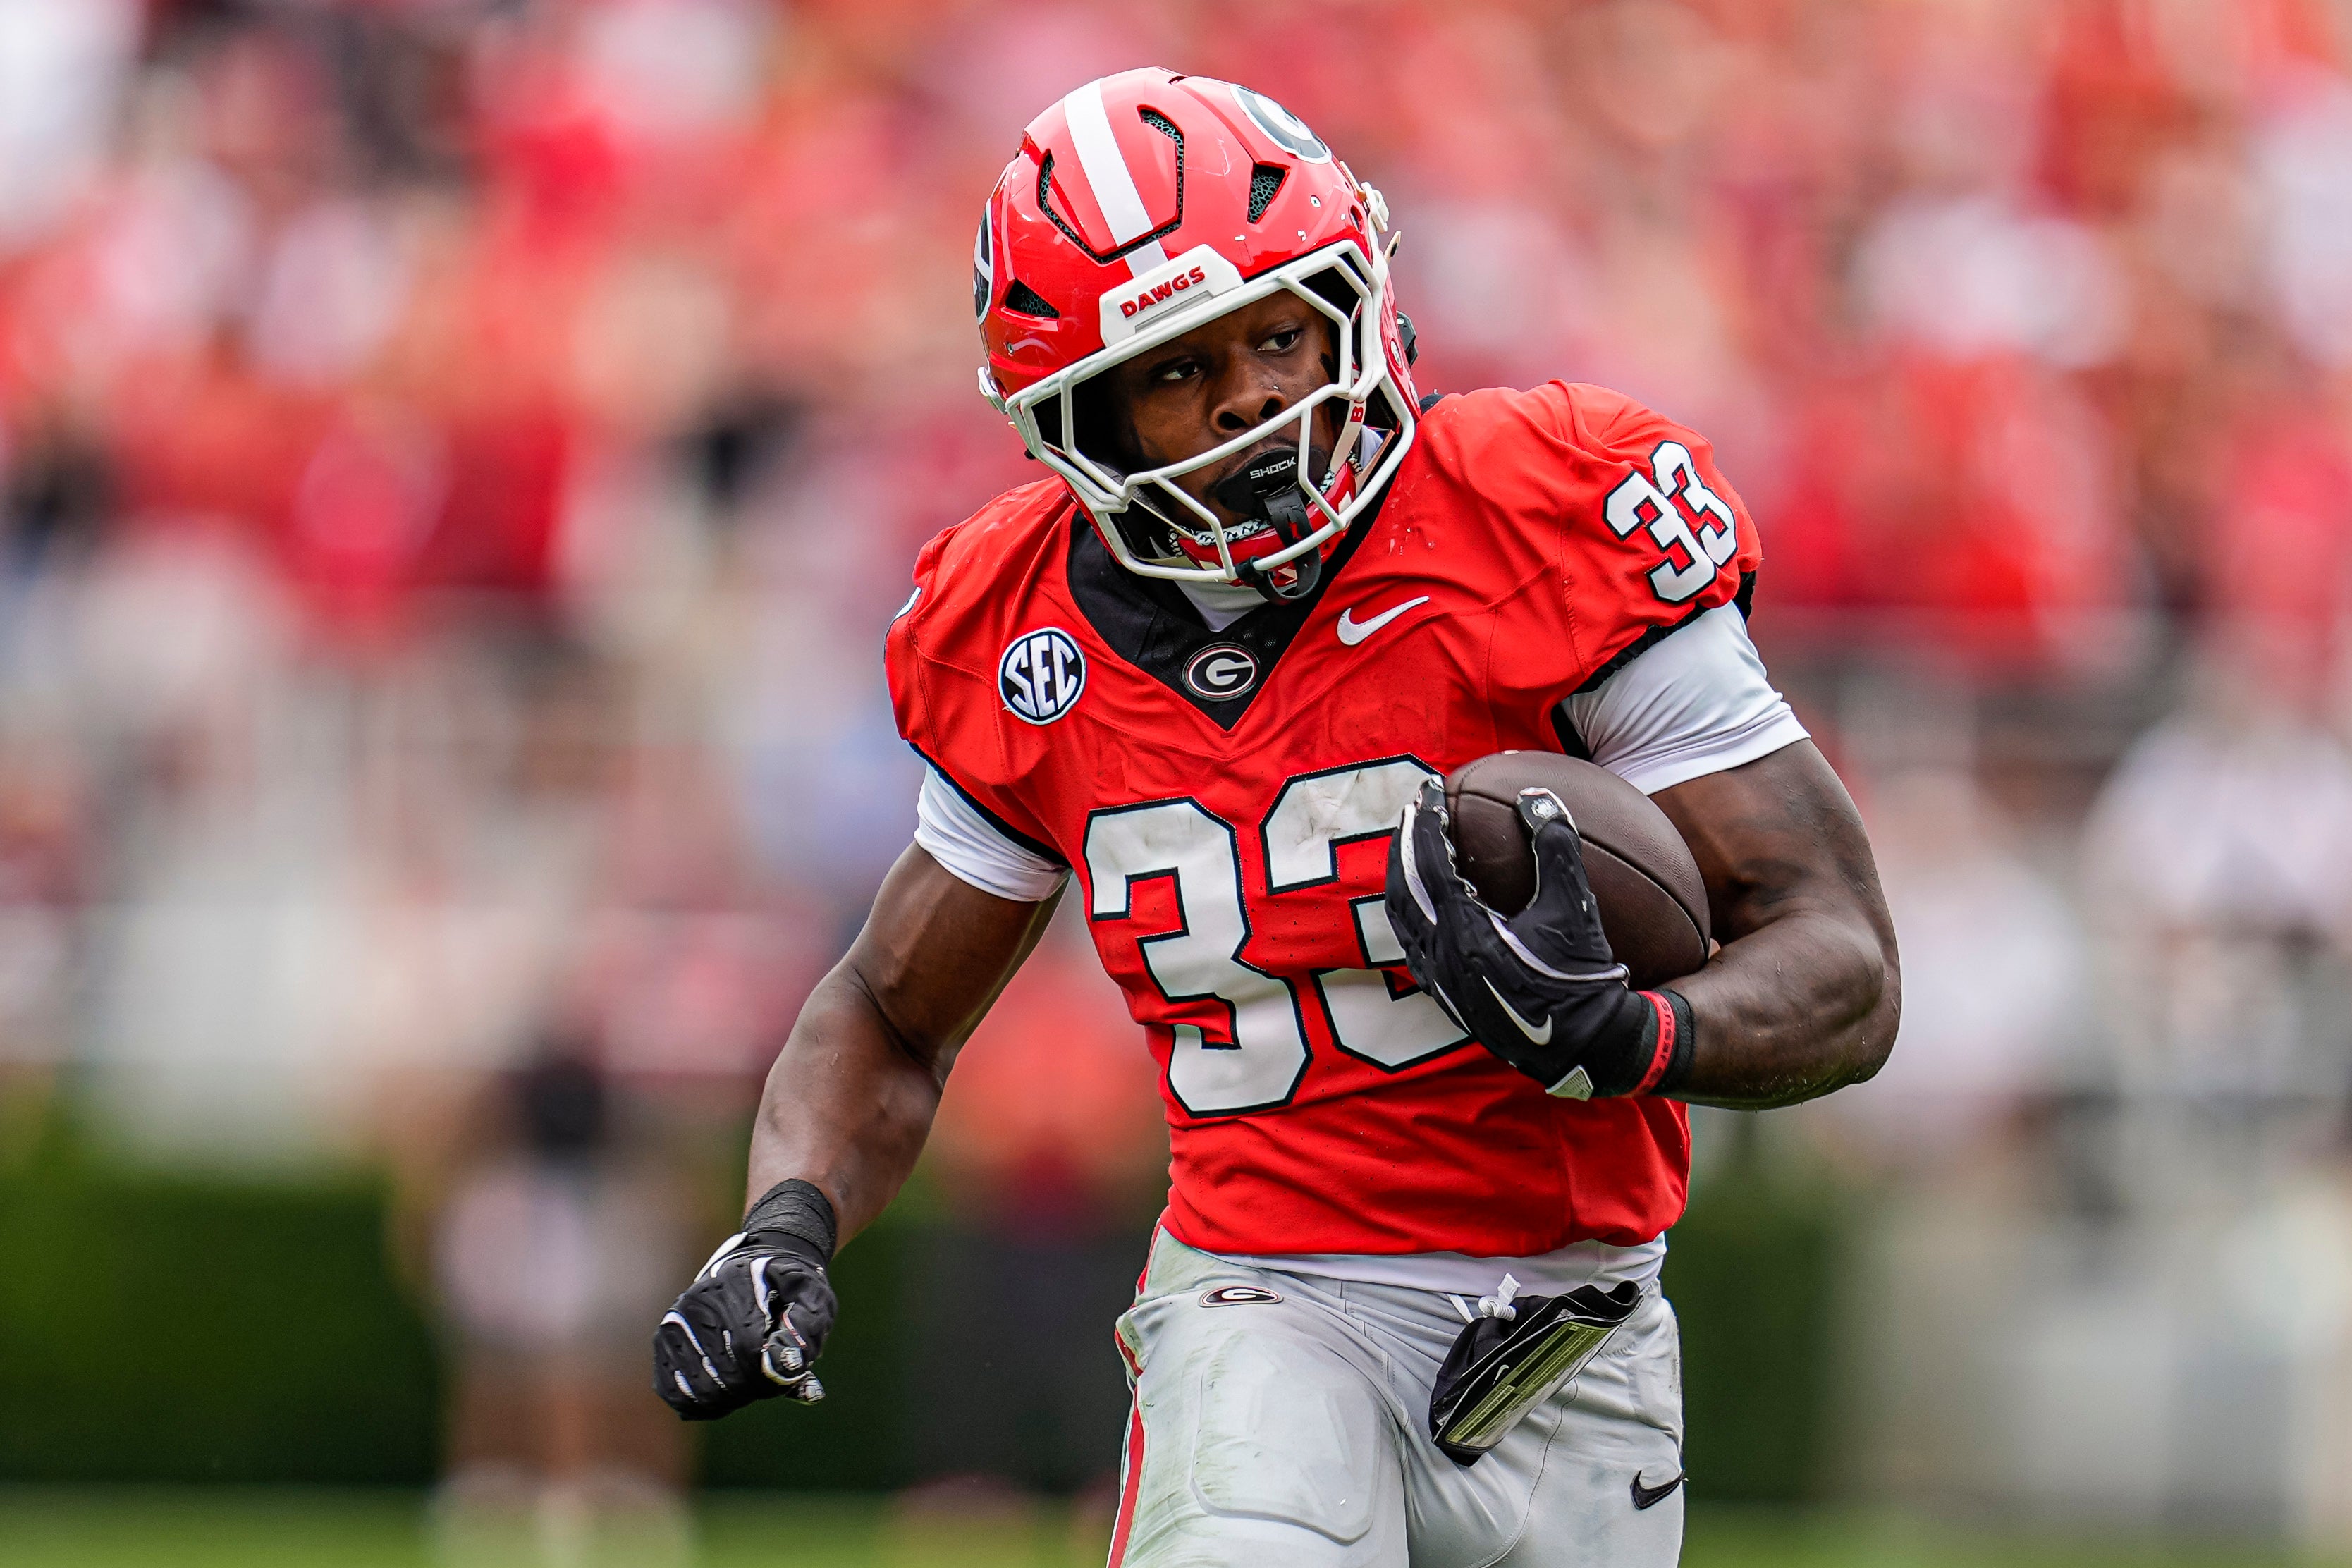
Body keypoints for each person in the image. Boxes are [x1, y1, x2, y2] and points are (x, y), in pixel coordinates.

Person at [653, 69, 1899, 1567]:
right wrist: (785, 1220)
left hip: (1578, 1331)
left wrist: (1640, 1036)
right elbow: (889, 1008)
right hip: (1264, 1296)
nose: (1249, 394)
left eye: (1276, 329)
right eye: (1179, 368)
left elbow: (1842, 955)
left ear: (1354, 296)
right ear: (1082, 419)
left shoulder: (1550, 506)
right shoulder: (1019, 627)